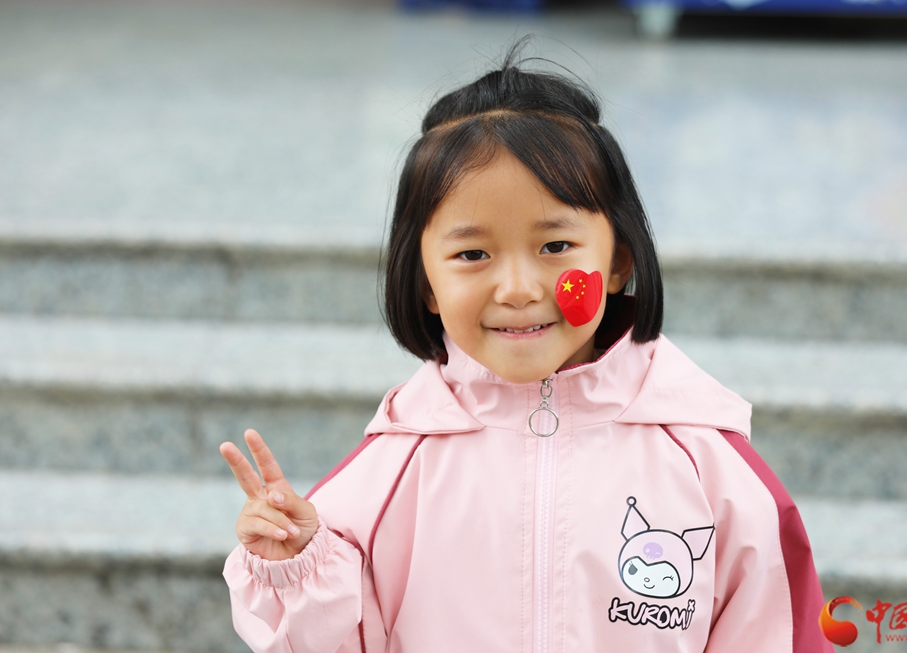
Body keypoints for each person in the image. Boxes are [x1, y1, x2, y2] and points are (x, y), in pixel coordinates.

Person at [220, 45, 834, 653]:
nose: (517, 289)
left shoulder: (708, 464)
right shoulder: (388, 474)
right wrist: (295, 568)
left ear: (618, 262)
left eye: (555, 247)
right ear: (426, 284)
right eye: (472, 254)